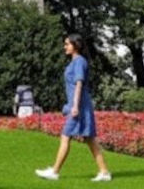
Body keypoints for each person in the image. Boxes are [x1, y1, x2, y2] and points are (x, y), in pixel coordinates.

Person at [35, 34, 111, 182]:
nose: (65, 47)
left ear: (75, 45)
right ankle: (104, 172)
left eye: (67, 44)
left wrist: (75, 106)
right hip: (78, 105)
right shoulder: (75, 62)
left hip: (80, 106)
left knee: (65, 136)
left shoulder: (79, 62)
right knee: (90, 139)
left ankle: (55, 172)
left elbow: (79, 84)